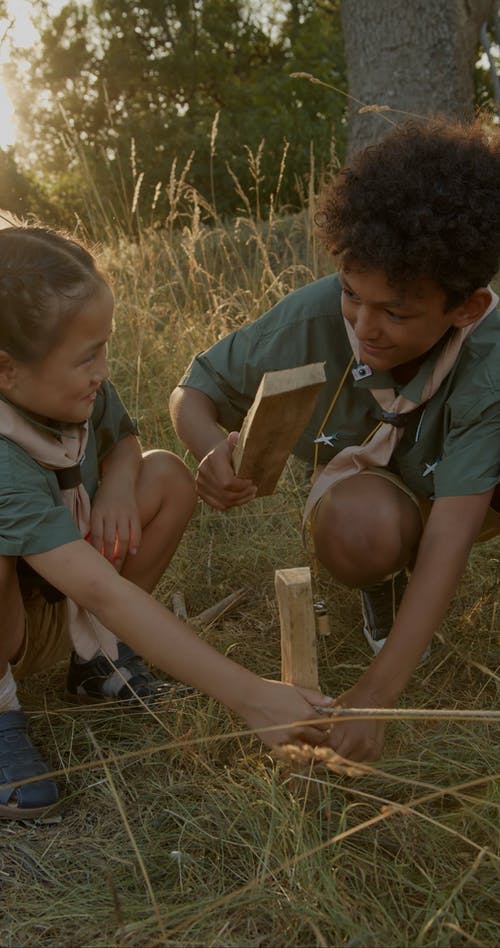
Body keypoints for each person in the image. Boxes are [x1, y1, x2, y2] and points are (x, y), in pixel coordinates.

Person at [170, 118, 500, 763]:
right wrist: (208, 446)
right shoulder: (315, 314)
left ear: (467, 309)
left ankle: (401, 615)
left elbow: (451, 540)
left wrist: (377, 694)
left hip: (463, 497)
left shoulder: (488, 364)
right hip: (371, 499)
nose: (365, 326)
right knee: (361, 530)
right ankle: (382, 585)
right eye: (353, 294)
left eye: (396, 313)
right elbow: (193, 388)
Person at [0, 225, 333, 820]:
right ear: (6, 370)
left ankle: (97, 659)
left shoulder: (75, 392)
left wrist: (121, 484)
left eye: (104, 346)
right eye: (87, 356)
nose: (103, 368)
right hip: (17, 619)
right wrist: (252, 697)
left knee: (166, 474)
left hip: (54, 601)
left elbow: (122, 441)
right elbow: (99, 586)